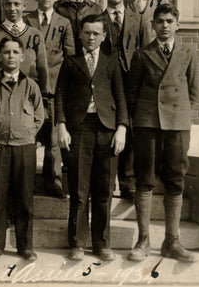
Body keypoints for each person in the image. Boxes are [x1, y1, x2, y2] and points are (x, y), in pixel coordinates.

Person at [127, 4, 198, 263]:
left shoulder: (189, 52)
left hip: (177, 124)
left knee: (176, 179)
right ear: (153, 25)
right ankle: (143, 239)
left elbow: (193, 90)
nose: (165, 26)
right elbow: (132, 92)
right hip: (148, 123)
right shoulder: (142, 55)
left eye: (169, 21)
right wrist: (141, 119)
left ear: (177, 24)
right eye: (160, 21)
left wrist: (180, 115)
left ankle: (172, 240)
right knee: (145, 178)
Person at [56, 14, 128, 261]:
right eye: (87, 32)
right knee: (78, 189)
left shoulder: (111, 63)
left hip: (107, 130)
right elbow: (60, 96)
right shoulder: (70, 63)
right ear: (80, 34)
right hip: (79, 129)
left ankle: (102, 243)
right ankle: (76, 242)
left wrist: (122, 128)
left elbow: (120, 98)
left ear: (104, 36)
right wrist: (62, 126)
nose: (91, 37)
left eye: (96, 33)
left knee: (104, 189)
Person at [0, 36, 44, 262]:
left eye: (15, 52)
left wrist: (26, 133)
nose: (11, 56)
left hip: (24, 147)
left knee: (25, 198)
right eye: (6, 52)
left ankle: (25, 246)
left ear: (22, 57)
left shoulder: (31, 86)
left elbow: (39, 116)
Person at [25, 0, 75, 198]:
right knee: (28, 134)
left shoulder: (64, 23)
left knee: (54, 138)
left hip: (54, 87)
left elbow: (70, 56)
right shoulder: (26, 21)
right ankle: (25, 180)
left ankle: (53, 181)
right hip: (29, 87)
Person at [101, 0, 143, 200]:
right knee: (109, 126)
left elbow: (145, 51)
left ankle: (128, 181)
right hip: (106, 81)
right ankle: (108, 181)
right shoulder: (98, 20)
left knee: (131, 128)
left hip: (131, 79)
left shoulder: (138, 19)